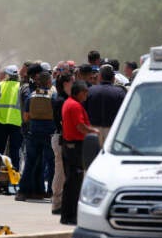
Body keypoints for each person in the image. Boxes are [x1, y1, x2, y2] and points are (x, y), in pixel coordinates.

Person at [60, 80, 99, 225]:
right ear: (79, 92)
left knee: (72, 182)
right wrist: (95, 131)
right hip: (74, 147)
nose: (87, 95)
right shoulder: (74, 105)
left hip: (71, 146)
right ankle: (69, 216)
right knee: (73, 183)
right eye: (85, 92)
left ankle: (68, 215)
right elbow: (80, 126)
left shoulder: (70, 103)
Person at [15, 71, 56, 201]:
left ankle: (22, 192)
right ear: (49, 82)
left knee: (30, 163)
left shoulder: (31, 96)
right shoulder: (53, 96)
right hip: (49, 133)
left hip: (33, 133)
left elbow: (26, 117)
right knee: (51, 163)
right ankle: (51, 191)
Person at [85, 65, 126, 146]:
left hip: (93, 132)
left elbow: (83, 110)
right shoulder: (120, 93)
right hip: (113, 132)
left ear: (99, 77)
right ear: (113, 78)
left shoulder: (89, 91)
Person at [0, 65, 23, 170]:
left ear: (7, 75)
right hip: (17, 122)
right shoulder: (21, 87)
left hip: (0, 121)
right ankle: (15, 172)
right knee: (15, 150)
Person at [51, 72, 74, 215]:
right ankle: (57, 203)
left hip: (62, 137)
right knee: (60, 172)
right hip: (61, 138)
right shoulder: (61, 100)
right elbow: (62, 122)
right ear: (66, 84)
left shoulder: (64, 98)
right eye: (72, 81)